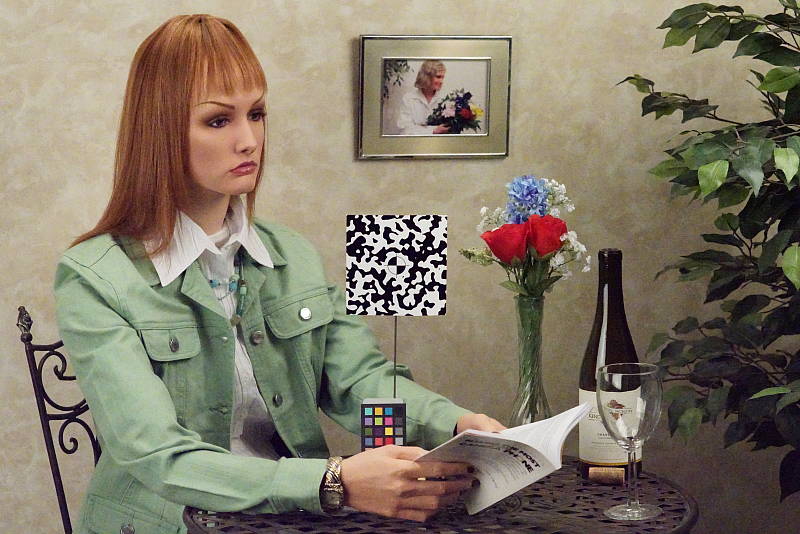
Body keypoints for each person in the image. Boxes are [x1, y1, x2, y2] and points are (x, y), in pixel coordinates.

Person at [53, 14, 504, 534]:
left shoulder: (290, 253)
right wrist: (333, 481)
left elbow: (359, 381)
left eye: (257, 114)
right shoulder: (94, 278)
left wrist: (455, 423)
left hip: (289, 518)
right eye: (218, 121)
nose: (249, 140)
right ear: (160, 130)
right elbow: (158, 455)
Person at [396, 60, 451, 135]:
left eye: (442, 77)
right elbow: (404, 130)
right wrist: (433, 130)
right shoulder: (409, 99)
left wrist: (419, 129)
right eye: (438, 77)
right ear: (426, 77)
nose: (441, 81)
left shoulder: (445, 99)